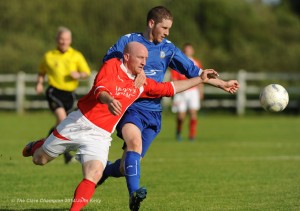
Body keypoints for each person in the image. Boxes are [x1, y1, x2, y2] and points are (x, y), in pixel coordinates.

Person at [22, 42, 229, 211]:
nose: (145, 62)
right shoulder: (112, 66)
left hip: (101, 135)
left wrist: (200, 79)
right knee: (39, 159)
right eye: (141, 58)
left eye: (147, 59)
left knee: (94, 174)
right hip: (79, 122)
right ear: (127, 57)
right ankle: (39, 144)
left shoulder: (142, 82)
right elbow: (99, 89)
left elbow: (169, 88)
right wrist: (109, 100)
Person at [98, 5, 240, 211]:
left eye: (169, 29)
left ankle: (105, 172)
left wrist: (223, 83)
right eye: (164, 28)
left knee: (124, 166)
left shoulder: (168, 48)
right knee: (134, 143)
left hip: (154, 114)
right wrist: (131, 72)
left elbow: (195, 72)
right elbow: (108, 65)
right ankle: (134, 195)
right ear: (151, 23)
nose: (167, 33)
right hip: (131, 107)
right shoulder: (128, 41)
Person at [36, 26, 91, 164]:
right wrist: (40, 83)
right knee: (62, 120)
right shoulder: (49, 56)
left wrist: (78, 74)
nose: (63, 42)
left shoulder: (76, 55)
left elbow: (86, 72)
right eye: (61, 39)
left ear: (70, 40)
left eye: (66, 39)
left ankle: (41, 145)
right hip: (54, 92)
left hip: (70, 94)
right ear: (57, 40)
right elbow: (42, 71)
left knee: (62, 124)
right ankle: (65, 154)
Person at [170, 43, 204, 141]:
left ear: (192, 51)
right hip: (181, 91)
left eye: (189, 49)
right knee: (181, 116)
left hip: (193, 91)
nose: (188, 51)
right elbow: (174, 78)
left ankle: (192, 135)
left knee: (193, 113)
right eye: (186, 50)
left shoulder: (197, 62)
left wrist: (201, 91)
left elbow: (201, 77)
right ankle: (179, 131)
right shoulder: (178, 62)